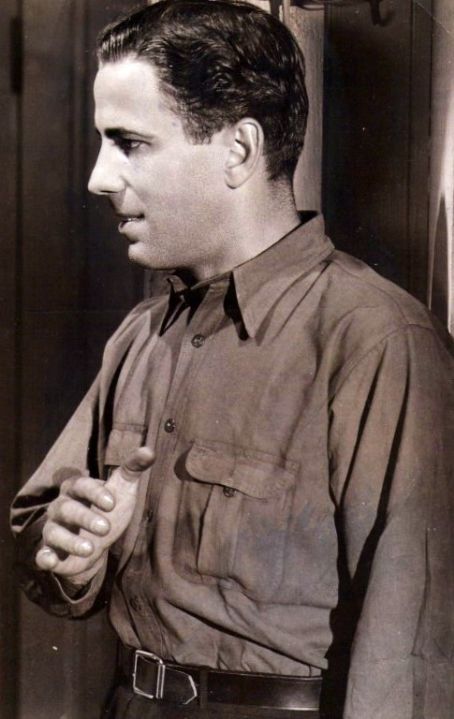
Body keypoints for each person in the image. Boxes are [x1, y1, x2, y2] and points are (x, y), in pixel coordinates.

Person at [10, 1, 454, 718]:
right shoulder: (140, 335)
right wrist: (71, 552)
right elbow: (41, 535)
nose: (98, 177)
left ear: (239, 149)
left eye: (129, 143)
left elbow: (410, 659)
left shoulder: (377, 341)